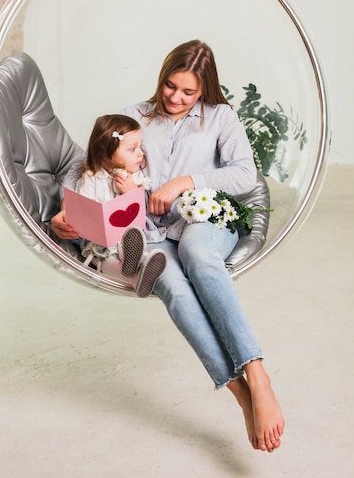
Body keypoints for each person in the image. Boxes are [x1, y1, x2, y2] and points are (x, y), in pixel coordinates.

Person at [51, 40, 284, 452]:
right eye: (170, 86)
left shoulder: (221, 118)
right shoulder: (137, 115)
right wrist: (64, 208)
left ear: (205, 89)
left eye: (188, 91)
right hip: (152, 231)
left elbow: (246, 174)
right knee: (174, 288)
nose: (175, 98)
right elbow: (88, 159)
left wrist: (185, 182)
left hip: (207, 216)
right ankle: (241, 395)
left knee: (196, 252)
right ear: (162, 79)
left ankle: (258, 373)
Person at [58, 114, 166, 298]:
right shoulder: (91, 179)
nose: (141, 153)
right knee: (108, 259)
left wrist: (132, 191)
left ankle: (140, 268)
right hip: (101, 242)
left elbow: (141, 211)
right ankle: (137, 276)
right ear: (106, 155)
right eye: (132, 149)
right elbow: (84, 210)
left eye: (140, 146)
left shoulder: (134, 176)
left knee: (131, 248)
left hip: (127, 236)